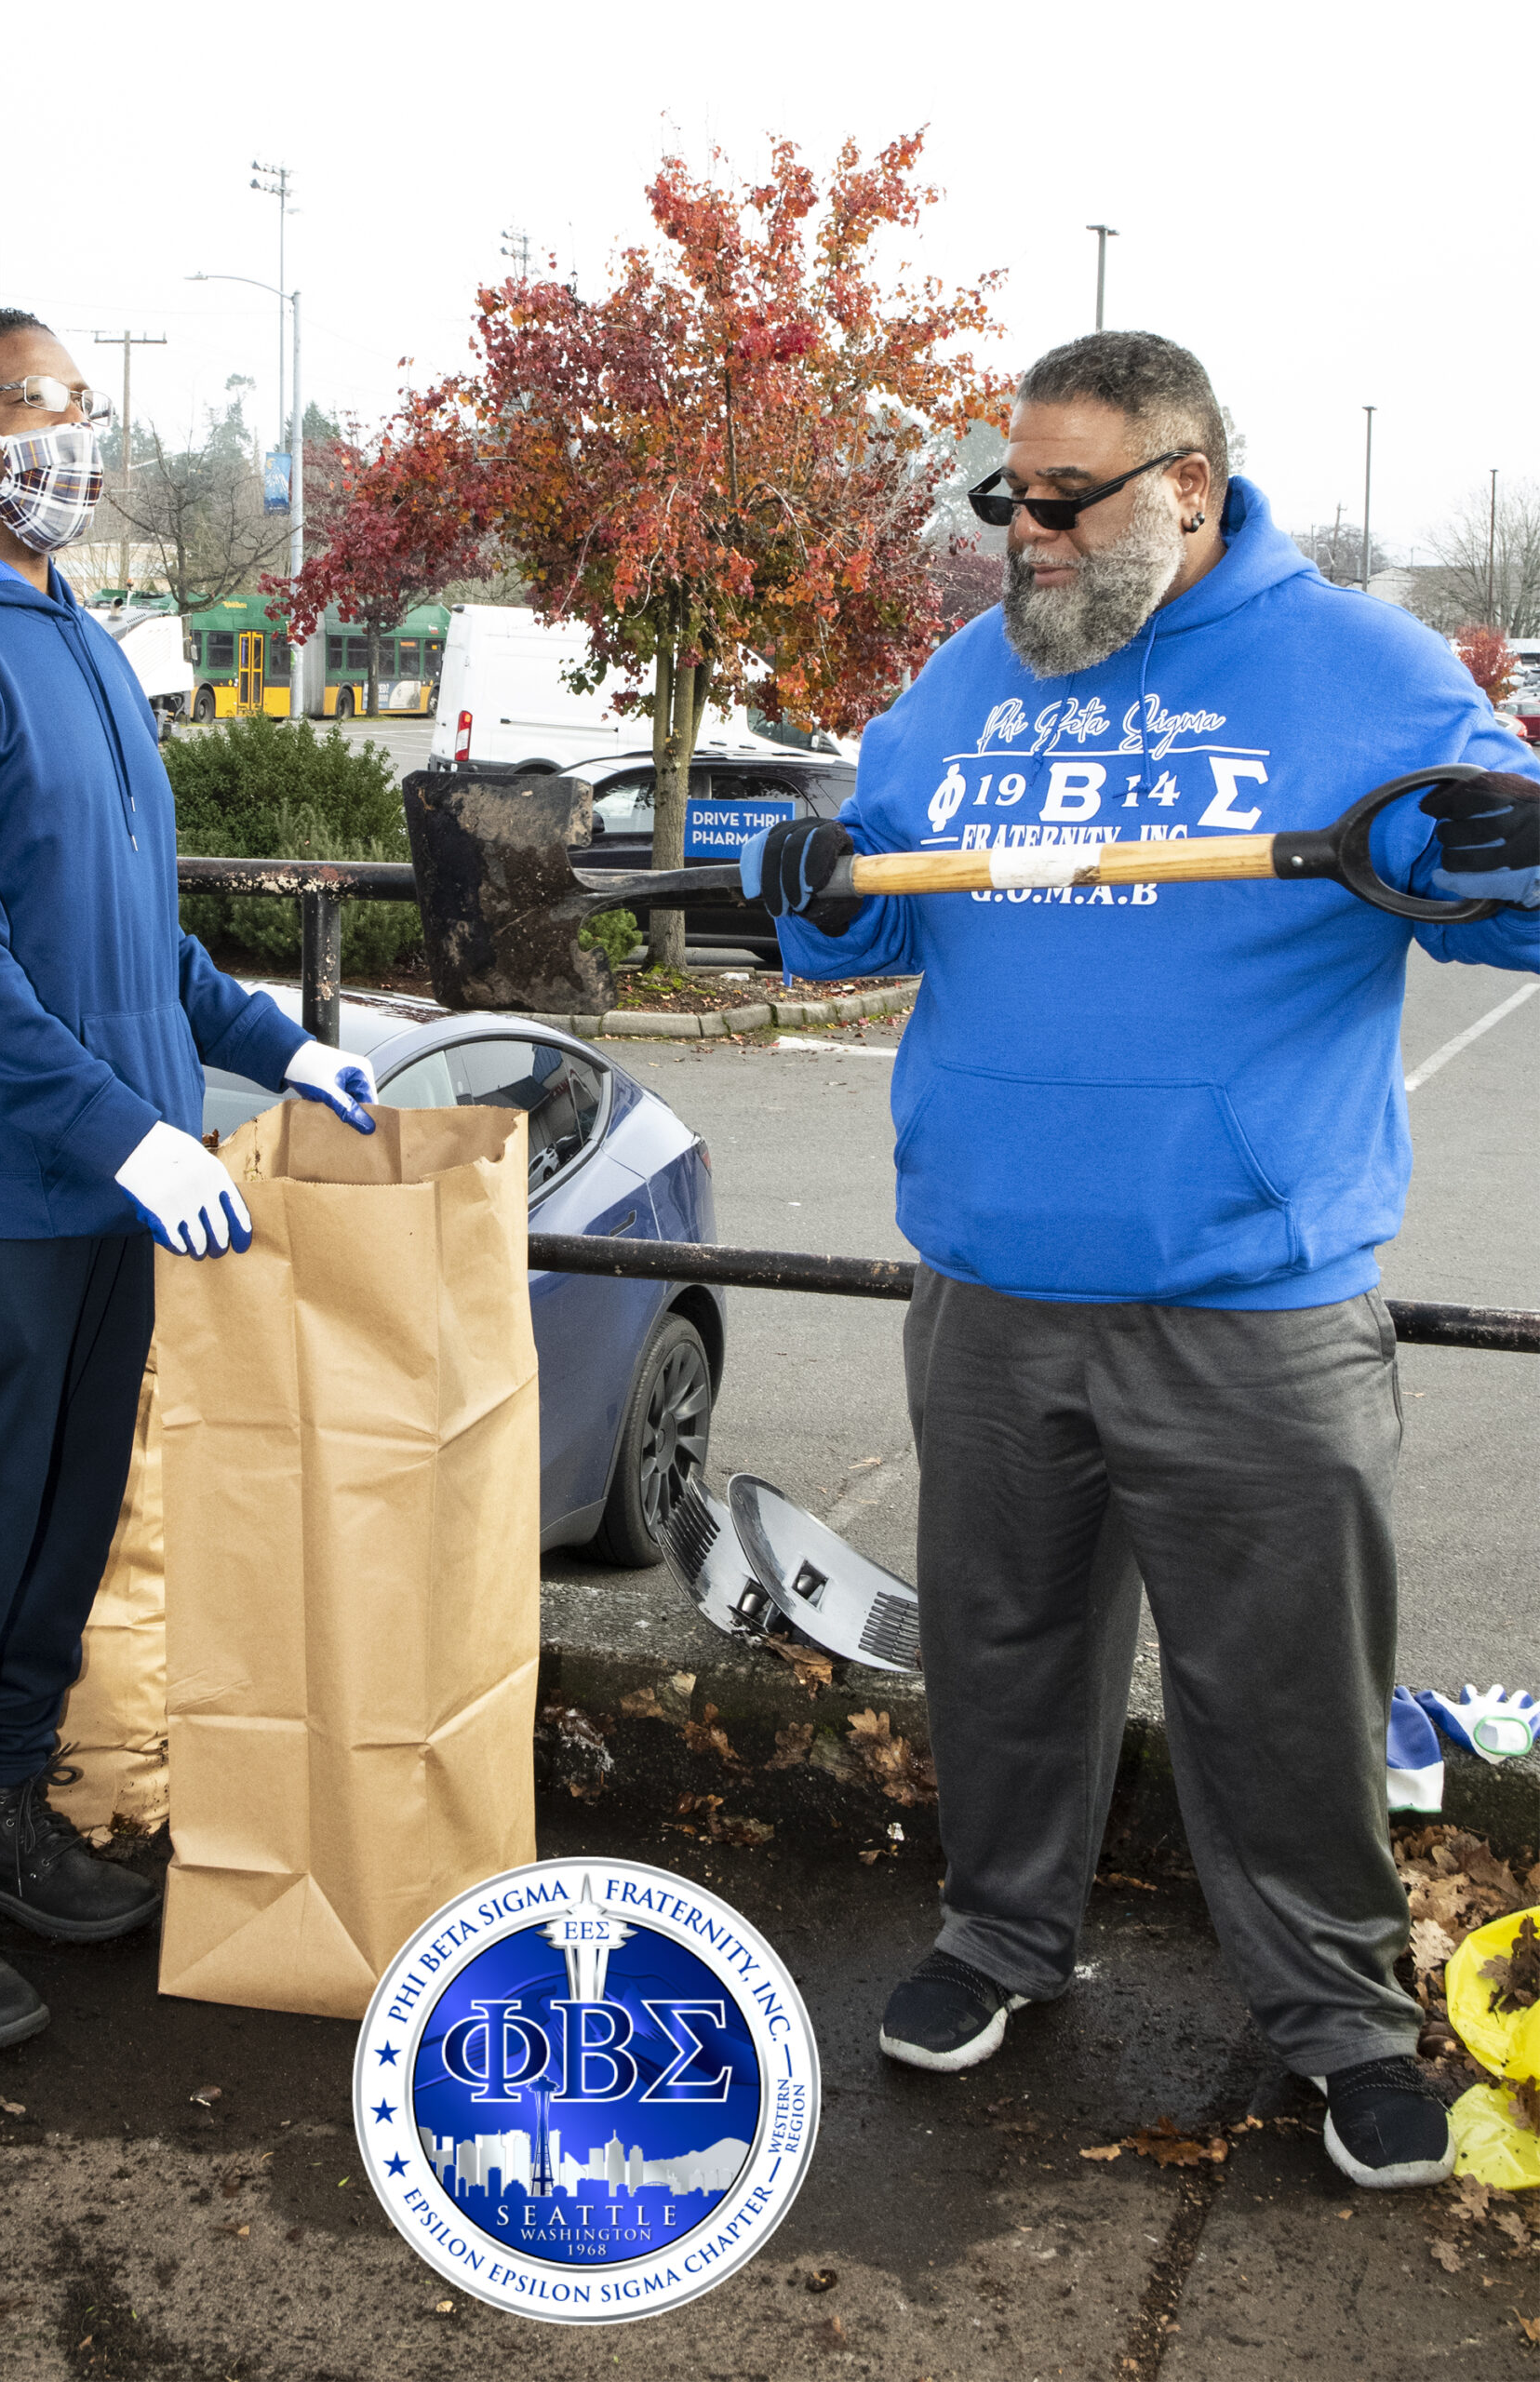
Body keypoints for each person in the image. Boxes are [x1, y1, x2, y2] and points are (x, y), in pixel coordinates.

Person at [743, 331, 1540, 2191]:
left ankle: (1337, 2017)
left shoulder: (1365, 674)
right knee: (1007, 1650)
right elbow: (859, 942)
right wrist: (813, 890)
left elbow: (1509, 910)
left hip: (1252, 1303)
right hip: (990, 1289)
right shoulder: (960, 689)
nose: (1020, 529)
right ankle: (999, 1934)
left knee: (1277, 1685)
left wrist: (1513, 853)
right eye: (1002, 495)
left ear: (1184, 485)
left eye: (1063, 496)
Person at [0, 305, 381, 2054]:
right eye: (30, 404)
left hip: (105, 1179)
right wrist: (118, 1125)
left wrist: (274, 1047)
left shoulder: (66, 631)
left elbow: (128, 925)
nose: (68, 435)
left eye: (80, 405)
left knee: (58, 1533)